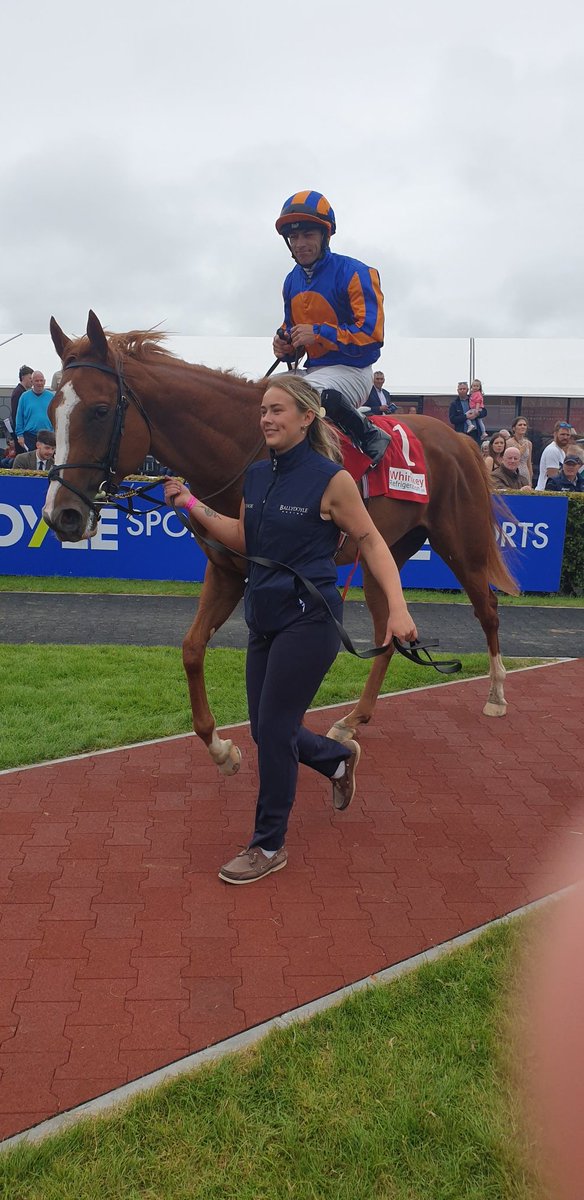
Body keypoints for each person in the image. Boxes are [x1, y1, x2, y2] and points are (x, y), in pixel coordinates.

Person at [163, 375, 417, 885]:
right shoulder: (255, 477)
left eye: (278, 410)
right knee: (264, 730)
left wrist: (398, 608)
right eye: (263, 410)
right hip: (265, 617)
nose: (267, 418)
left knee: (275, 730)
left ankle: (268, 844)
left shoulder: (332, 480)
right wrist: (190, 504)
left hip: (312, 620)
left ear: (307, 417)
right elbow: (241, 536)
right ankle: (335, 759)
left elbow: (369, 542)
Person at [271, 190, 390, 468]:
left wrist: (319, 333)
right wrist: (285, 345)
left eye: (307, 235)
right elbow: (291, 327)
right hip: (313, 371)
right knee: (260, 393)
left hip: (353, 372)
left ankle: (370, 435)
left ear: (326, 236)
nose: (300, 243)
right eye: (294, 237)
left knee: (296, 396)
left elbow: (372, 335)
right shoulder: (291, 281)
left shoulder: (356, 272)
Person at [15, 372, 54, 451]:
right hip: (30, 437)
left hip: (48, 436)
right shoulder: (24, 397)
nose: (39, 383)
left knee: (47, 461)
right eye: (36, 381)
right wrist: (20, 435)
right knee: (30, 462)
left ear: (44, 381)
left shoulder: (52, 396)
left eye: (41, 380)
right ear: (32, 382)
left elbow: (57, 416)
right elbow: (19, 417)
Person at [536, 421, 573, 489]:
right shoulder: (552, 450)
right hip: (546, 493)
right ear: (555, 434)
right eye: (562, 434)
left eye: (568, 435)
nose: (565, 437)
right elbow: (553, 479)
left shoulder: (560, 451)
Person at [9, 366, 33, 454]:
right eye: (30, 378)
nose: (32, 380)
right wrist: (20, 434)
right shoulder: (19, 393)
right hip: (21, 433)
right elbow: (16, 415)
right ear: (23, 378)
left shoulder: (22, 392)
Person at [507, 416, 533, 486]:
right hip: (514, 473)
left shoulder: (528, 443)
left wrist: (530, 479)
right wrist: (520, 452)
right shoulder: (509, 442)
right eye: (520, 425)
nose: (523, 427)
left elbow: (529, 463)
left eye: (524, 425)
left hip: (525, 473)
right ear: (514, 428)